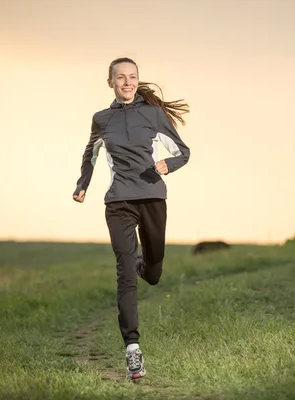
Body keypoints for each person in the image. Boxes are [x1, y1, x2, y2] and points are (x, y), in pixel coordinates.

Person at [72, 57, 191, 381]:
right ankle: (132, 350)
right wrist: (83, 184)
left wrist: (169, 165)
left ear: (137, 81)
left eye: (132, 77)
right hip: (119, 201)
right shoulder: (102, 119)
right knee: (125, 273)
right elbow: (90, 154)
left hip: (152, 198)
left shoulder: (153, 114)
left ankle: (142, 264)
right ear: (110, 82)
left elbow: (184, 151)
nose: (127, 82)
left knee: (151, 273)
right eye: (120, 78)